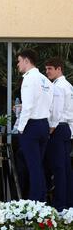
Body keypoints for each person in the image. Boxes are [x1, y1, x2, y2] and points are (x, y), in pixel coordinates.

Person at [16, 49, 53, 202]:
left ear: (26, 60)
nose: (17, 64)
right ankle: (41, 200)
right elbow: (50, 105)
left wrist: (20, 128)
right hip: (44, 125)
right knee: (38, 165)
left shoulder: (29, 79)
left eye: (18, 61)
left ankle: (35, 203)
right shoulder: (46, 80)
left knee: (33, 167)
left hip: (31, 125)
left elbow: (28, 107)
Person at [45, 57, 73, 210]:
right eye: (46, 68)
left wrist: (50, 130)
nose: (47, 71)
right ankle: (68, 204)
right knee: (65, 169)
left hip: (58, 128)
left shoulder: (58, 86)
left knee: (58, 169)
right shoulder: (68, 85)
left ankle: (60, 205)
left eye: (50, 68)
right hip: (65, 129)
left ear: (59, 69)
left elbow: (56, 112)